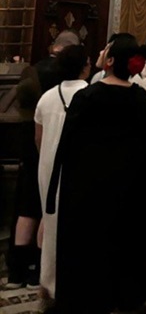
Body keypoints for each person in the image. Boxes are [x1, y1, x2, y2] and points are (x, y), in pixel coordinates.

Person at [46, 34, 146, 314]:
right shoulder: (140, 97)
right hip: (129, 190)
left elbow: (67, 145)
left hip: (87, 189)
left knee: (89, 250)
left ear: (109, 61)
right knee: (124, 246)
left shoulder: (87, 96)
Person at [6, 30, 81, 290]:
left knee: (27, 208)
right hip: (62, 151)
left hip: (31, 147)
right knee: (50, 210)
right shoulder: (76, 80)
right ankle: (39, 268)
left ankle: (16, 270)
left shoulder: (32, 72)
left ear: (53, 46)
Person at [34, 43, 90, 303]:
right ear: (84, 67)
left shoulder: (47, 97)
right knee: (78, 226)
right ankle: (74, 283)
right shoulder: (91, 94)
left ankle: (47, 284)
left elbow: (39, 138)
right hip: (79, 167)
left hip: (48, 166)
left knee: (51, 221)